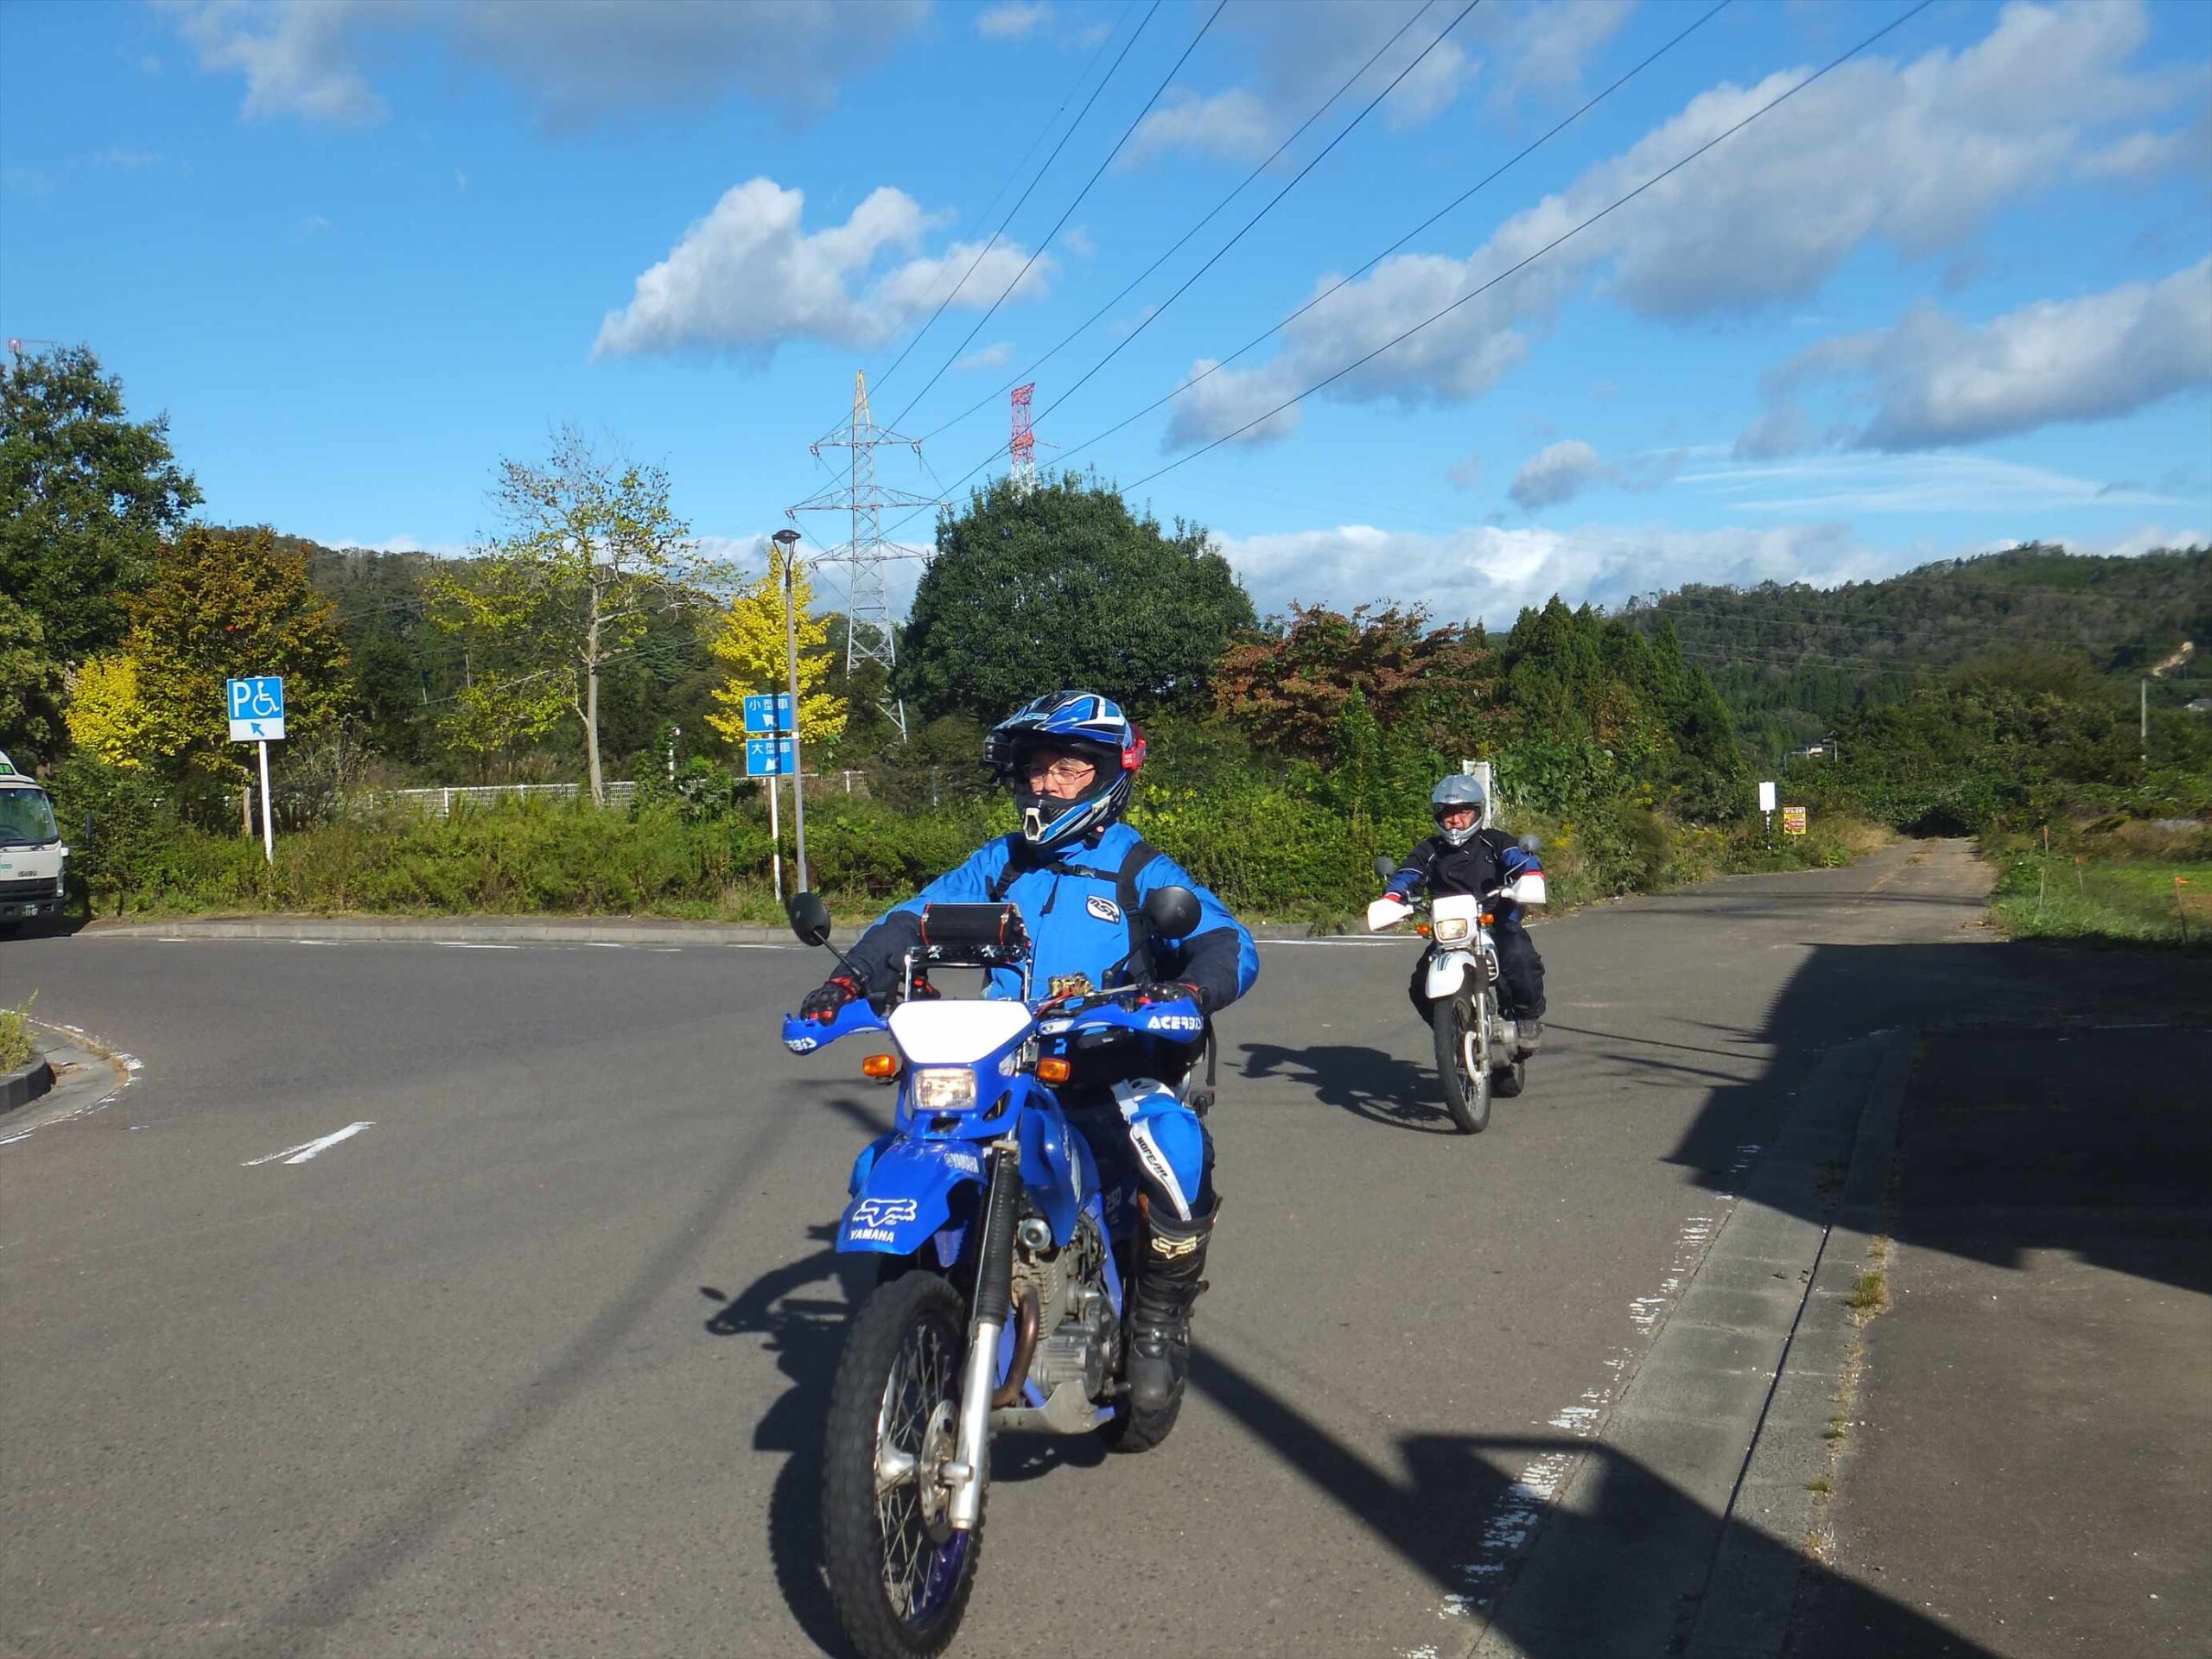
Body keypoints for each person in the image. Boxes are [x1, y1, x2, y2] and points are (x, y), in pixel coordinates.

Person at [798, 690, 1259, 1429]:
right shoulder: (1000, 864)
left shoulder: (1137, 867)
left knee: (1175, 1150)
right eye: (1039, 769)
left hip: (1106, 1067)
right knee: (900, 1150)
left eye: (1068, 769)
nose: (1047, 784)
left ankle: (1157, 1321)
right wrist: (846, 982)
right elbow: (910, 919)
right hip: (1002, 1068)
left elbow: (1227, 941)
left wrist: (1186, 989)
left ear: (1109, 774)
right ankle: (922, 1308)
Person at [1380, 773, 1546, 1051]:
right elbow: (1408, 873)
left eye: (1463, 812)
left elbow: (1520, 859)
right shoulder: (1429, 850)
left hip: (1495, 921)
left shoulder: (1495, 842)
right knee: (1420, 984)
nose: (1455, 820)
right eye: (1448, 813)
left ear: (1477, 812)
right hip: (1451, 930)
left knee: (1519, 955)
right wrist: (1393, 897)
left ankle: (1527, 1017)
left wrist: (1530, 876)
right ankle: (1453, 1032)